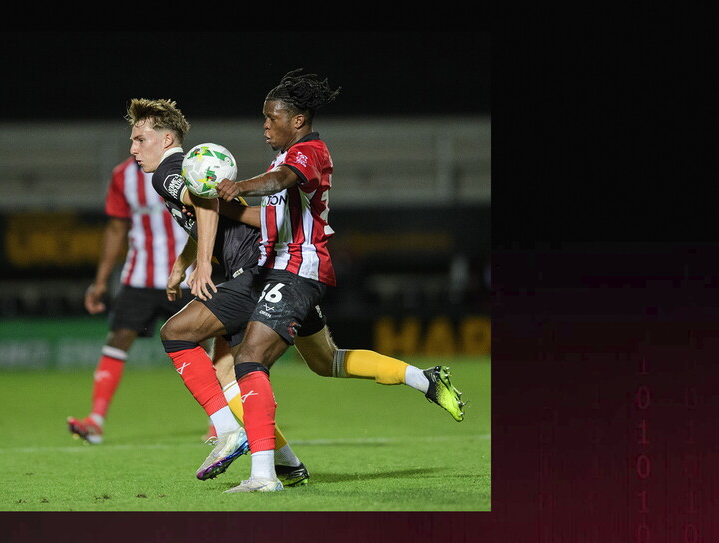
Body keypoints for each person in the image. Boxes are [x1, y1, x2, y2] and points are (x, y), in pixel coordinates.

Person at [125, 85, 464, 493]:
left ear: (297, 119)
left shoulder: (301, 154)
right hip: (274, 268)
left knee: (225, 356)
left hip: (283, 272)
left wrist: (231, 200)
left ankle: (256, 461)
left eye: (272, 118)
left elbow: (247, 191)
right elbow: (241, 215)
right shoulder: (282, 155)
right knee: (324, 361)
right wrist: (188, 259)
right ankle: (423, 381)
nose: (265, 126)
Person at [66, 156, 200, 444]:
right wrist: (100, 282)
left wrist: (209, 263)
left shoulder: (192, 166)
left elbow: (209, 217)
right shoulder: (122, 175)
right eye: (133, 137)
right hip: (138, 278)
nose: (134, 144)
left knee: (208, 346)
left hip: (186, 277)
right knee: (117, 340)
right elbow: (116, 229)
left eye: (140, 137)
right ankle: (96, 421)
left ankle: (222, 423)